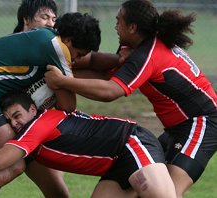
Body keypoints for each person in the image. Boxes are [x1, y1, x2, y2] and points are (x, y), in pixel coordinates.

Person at [44, 0, 217, 197]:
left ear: (133, 27)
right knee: (123, 187)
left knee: (166, 192)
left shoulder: (149, 53)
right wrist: (60, 67)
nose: (115, 26)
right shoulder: (137, 47)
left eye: (119, 21)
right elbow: (104, 75)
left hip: (202, 123)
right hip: (174, 129)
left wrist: (62, 81)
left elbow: (110, 91)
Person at [0, 12, 101, 197]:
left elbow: (96, 63)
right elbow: (68, 106)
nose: (76, 60)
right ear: (70, 41)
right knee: (13, 161)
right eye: (79, 55)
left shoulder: (43, 38)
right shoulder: (57, 46)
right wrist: (61, 83)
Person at [0, 91, 176, 198]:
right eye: (9, 120)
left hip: (132, 142)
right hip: (116, 165)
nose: (14, 124)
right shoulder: (30, 132)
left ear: (33, 109)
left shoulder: (39, 125)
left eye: (17, 115)